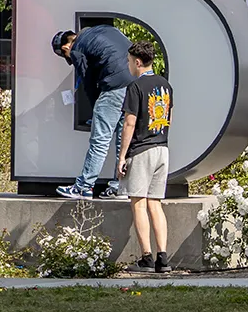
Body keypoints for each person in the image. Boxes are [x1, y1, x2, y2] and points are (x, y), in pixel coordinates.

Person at [53, 23, 134, 200]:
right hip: (133, 83)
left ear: (66, 47)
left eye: (66, 55)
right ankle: (120, 187)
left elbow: (87, 81)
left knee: (100, 140)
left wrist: (95, 107)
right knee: (123, 139)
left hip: (114, 86)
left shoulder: (77, 48)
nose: (70, 58)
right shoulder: (104, 30)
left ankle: (83, 187)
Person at [117, 41, 173, 273]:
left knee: (138, 203)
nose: (129, 65)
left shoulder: (135, 87)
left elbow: (129, 123)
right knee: (155, 203)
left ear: (137, 62)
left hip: (142, 149)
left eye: (129, 61)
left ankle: (146, 258)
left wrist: (122, 156)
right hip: (162, 148)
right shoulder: (165, 85)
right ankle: (163, 257)